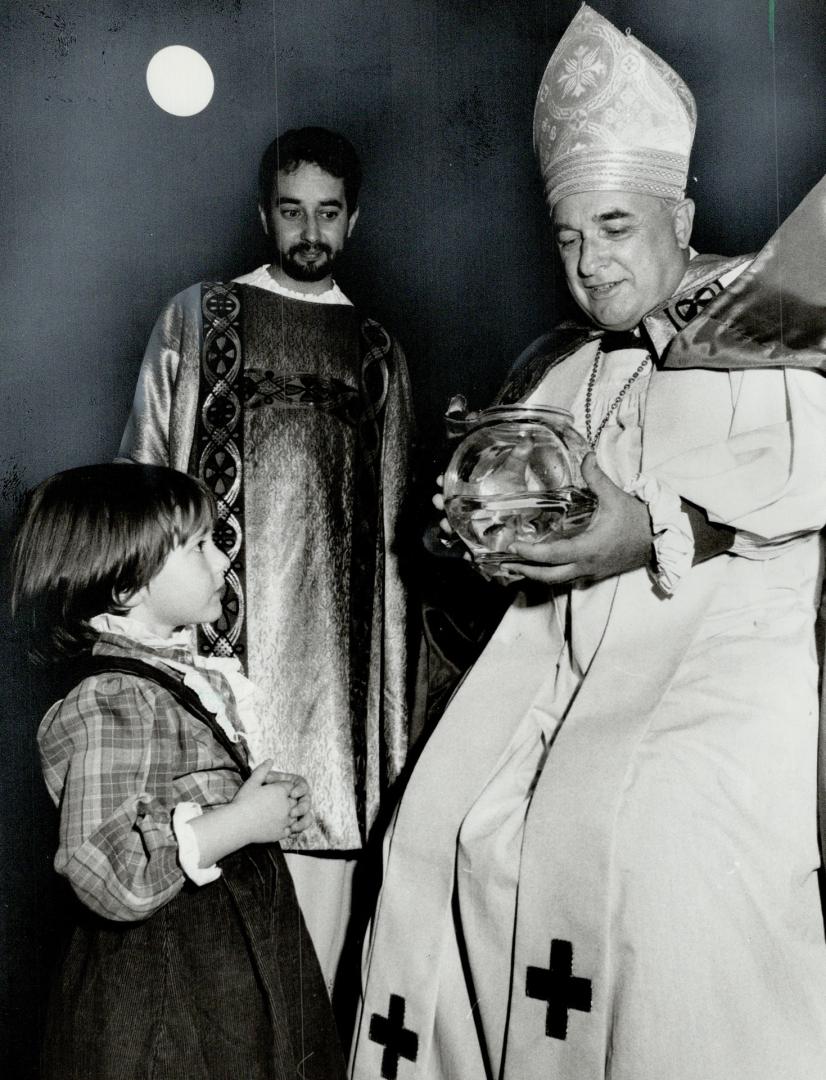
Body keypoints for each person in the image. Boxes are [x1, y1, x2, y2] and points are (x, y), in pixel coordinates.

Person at [350, 7, 826, 1080]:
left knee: (636, 859)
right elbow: (520, 517)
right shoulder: (567, 368)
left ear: (682, 212)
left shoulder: (781, 326)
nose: (590, 265)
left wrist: (661, 527)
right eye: (567, 237)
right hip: (564, 677)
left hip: (731, 683)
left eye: (615, 228)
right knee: (431, 836)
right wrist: (478, 535)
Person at [117, 126, 415, 990]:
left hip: (335, 731)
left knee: (310, 990)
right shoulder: (197, 317)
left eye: (328, 213)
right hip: (207, 706)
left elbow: (396, 555)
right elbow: (139, 499)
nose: (310, 233)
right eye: (292, 212)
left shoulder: (378, 352)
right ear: (263, 214)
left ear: (354, 221)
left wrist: (388, 743)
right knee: (205, 991)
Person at [10, 462, 346, 1080]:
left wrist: (257, 809)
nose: (223, 561)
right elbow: (106, 868)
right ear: (125, 587)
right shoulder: (115, 697)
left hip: (214, 978)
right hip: (168, 999)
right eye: (198, 547)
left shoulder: (163, 681)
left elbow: (177, 804)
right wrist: (241, 821)